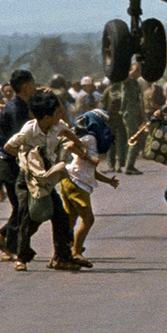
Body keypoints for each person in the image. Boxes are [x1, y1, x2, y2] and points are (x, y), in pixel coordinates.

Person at [5, 91, 93, 272]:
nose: (60, 115)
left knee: (59, 215)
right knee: (27, 215)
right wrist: (26, 161)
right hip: (28, 179)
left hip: (46, 177)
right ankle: (20, 257)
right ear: (46, 117)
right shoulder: (29, 130)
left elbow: (67, 131)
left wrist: (81, 146)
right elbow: (9, 146)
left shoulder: (56, 126)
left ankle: (61, 257)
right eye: (56, 112)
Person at [60, 114, 119, 267]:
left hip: (72, 180)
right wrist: (87, 156)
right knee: (88, 219)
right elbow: (71, 146)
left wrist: (109, 181)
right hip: (76, 182)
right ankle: (76, 252)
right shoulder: (90, 139)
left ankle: (64, 252)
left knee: (71, 219)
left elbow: (91, 171)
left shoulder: (90, 140)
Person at [0, 69, 35, 259]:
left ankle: (5, 239)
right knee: (22, 207)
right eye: (33, 83)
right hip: (11, 165)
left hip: (14, 163)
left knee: (22, 207)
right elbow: (18, 141)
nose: (35, 87)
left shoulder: (21, 105)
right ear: (25, 86)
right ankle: (8, 244)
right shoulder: (16, 110)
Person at [104, 64, 144, 174]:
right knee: (132, 139)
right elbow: (123, 76)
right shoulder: (127, 82)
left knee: (126, 140)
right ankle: (129, 165)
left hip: (133, 114)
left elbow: (140, 101)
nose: (138, 72)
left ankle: (123, 163)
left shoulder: (136, 84)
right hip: (128, 114)